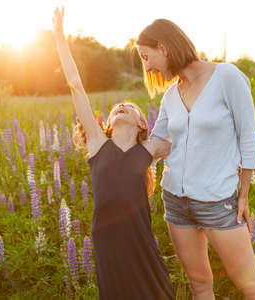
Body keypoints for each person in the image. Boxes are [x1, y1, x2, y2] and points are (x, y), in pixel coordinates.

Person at [136, 19, 255, 300]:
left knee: (252, 287)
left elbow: (248, 138)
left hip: (217, 201)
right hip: (175, 202)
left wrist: (243, 195)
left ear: (163, 47)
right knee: (199, 286)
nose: (147, 67)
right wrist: (115, 144)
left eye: (146, 57)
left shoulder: (227, 77)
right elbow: (159, 144)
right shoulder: (171, 95)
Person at [52, 8, 175, 300]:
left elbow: (194, 145)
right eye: (117, 105)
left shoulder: (149, 149)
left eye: (131, 106)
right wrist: (59, 38)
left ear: (143, 123)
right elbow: (75, 85)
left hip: (140, 244)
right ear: (106, 123)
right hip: (108, 246)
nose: (122, 105)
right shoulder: (97, 144)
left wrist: (237, 149)